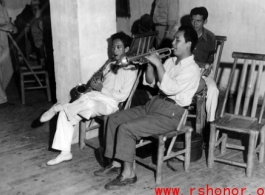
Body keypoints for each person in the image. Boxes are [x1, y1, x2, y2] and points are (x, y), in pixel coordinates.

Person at [94, 26, 201, 190]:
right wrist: (150, 64)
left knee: (126, 129)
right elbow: (151, 81)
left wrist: (158, 64)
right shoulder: (171, 61)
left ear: (188, 44)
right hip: (155, 104)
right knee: (115, 118)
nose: (172, 42)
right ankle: (116, 163)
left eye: (177, 40)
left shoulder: (192, 68)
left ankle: (128, 174)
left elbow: (170, 88)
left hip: (171, 114)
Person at [40, 32, 138, 166]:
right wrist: (94, 87)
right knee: (69, 113)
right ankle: (65, 153)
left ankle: (59, 107)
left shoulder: (132, 69)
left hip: (111, 104)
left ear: (126, 49)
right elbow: (102, 85)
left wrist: (101, 88)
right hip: (96, 97)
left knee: (88, 103)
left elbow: (123, 96)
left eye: (118, 47)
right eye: (113, 47)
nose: (114, 50)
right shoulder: (110, 65)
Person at [190, 7, 219, 123]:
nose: (195, 23)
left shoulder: (210, 37)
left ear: (205, 21)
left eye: (198, 21)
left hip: (204, 70)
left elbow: (210, 61)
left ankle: (210, 123)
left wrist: (206, 68)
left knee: (213, 90)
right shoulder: (184, 34)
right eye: (193, 20)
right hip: (188, 70)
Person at [0, 1, 17, 105]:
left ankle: (1, 96)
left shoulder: (2, 6)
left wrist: (13, 27)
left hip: (4, 42)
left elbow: (9, 23)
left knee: (8, 70)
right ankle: (1, 100)